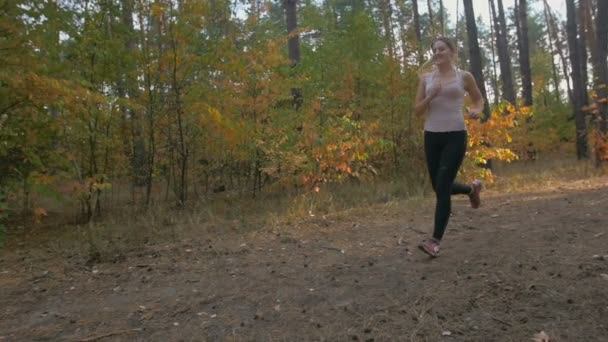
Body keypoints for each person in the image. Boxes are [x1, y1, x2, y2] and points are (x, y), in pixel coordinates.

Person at [413, 37, 485, 258]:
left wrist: (477, 110)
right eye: (434, 50)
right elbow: (417, 110)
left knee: (443, 185)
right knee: (439, 186)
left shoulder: (463, 76)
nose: (437, 52)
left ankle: (434, 241)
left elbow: (479, 99)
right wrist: (431, 96)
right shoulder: (426, 78)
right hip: (432, 136)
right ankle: (470, 189)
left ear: (452, 51)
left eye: (441, 49)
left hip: (456, 134)